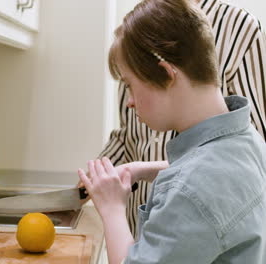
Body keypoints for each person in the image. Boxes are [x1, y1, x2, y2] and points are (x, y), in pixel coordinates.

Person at [78, 0, 266, 263]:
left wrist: (111, 210)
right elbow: (214, 171)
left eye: (130, 85)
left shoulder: (191, 190)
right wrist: (141, 169)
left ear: (166, 75)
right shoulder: (246, 138)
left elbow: (196, 184)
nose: (129, 101)